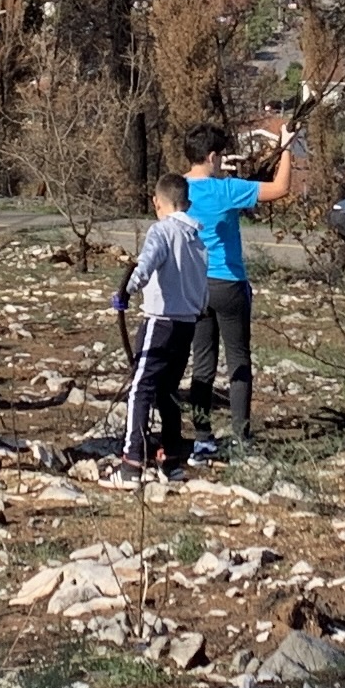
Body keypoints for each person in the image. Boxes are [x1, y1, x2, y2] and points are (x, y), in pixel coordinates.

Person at [182, 124, 300, 450]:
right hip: (229, 284)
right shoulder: (227, 189)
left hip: (194, 285)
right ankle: (241, 437)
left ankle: (202, 439)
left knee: (202, 363)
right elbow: (279, 188)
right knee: (238, 360)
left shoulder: (177, 189)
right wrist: (287, 147)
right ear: (212, 156)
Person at [114, 176, 208, 475]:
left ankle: (131, 461)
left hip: (160, 321)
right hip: (187, 324)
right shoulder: (198, 239)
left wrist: (125, 290)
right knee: (168, 391)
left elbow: (146, 264)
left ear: (158, 203)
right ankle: (170, 461)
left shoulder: (162, 230)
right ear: (187, 203)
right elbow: (202, 284)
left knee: (141, 388)